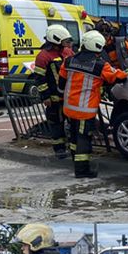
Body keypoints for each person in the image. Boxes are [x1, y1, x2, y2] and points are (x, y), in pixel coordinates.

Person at [59, 30, 128, 178]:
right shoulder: (100, 65)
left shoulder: (69, 61)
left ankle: (75, 160)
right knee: (84, 138)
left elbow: (61, 81)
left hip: (69, 107)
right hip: (84, 110)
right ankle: (82, 170)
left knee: (74, 137)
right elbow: (117, 77)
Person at [35, 25, 76, 159]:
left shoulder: (68, 52)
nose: (67, 44)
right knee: (56, 124)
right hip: (53, 99)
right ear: (55, 40)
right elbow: (40, 79)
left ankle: (74, 148)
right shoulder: (43, 56)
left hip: (69, 96)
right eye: (64, 41)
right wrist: (45, 96)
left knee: (74, 123)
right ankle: (59, 149)